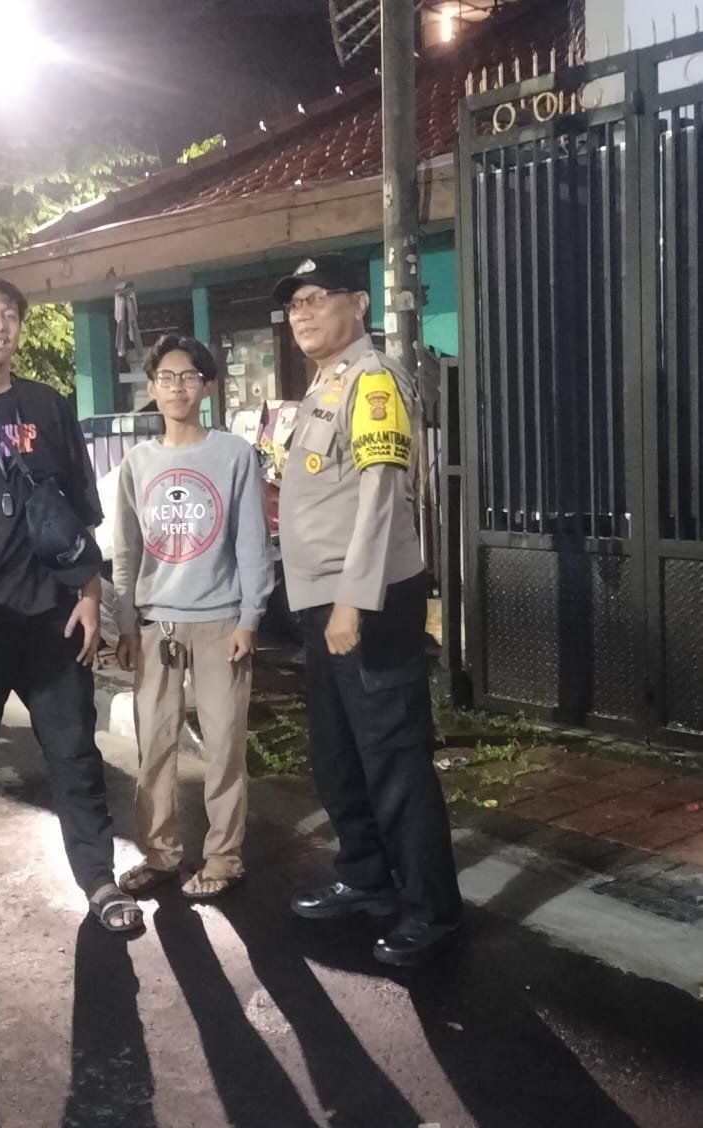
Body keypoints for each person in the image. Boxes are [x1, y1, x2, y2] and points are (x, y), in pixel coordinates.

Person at [0, 277, 144, 947]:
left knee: (75, 756)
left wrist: (91, 593)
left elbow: (80, 511)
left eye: (10, 313)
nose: (0, 323)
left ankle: (99, 881)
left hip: (51, 617)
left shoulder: (47, 404)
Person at [271, 253, 462, 967]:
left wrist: (352, 601)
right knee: (338, 753)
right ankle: (365, 877)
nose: (302, 313)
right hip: (322, 602)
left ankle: (432, 910)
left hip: (367, 603)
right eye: (294, 304)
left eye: (316, 298)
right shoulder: (324, 384)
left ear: (357, 303)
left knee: (393, 759)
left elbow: (382, 494)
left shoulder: (373, 379)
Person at [111, 334, 275, 901]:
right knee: (155, 747)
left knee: (224, 747)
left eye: (188, 376)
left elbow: (252, 542)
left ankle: (224, 858)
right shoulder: (138, 462)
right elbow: (127, 550)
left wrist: (250, 617)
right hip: (155, 625)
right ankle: (160, 854)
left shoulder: (233, 454)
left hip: (220, 622)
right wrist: (126, 622)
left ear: (206, 386)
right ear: (152, 387)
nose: (177, 387)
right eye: (166, 377)